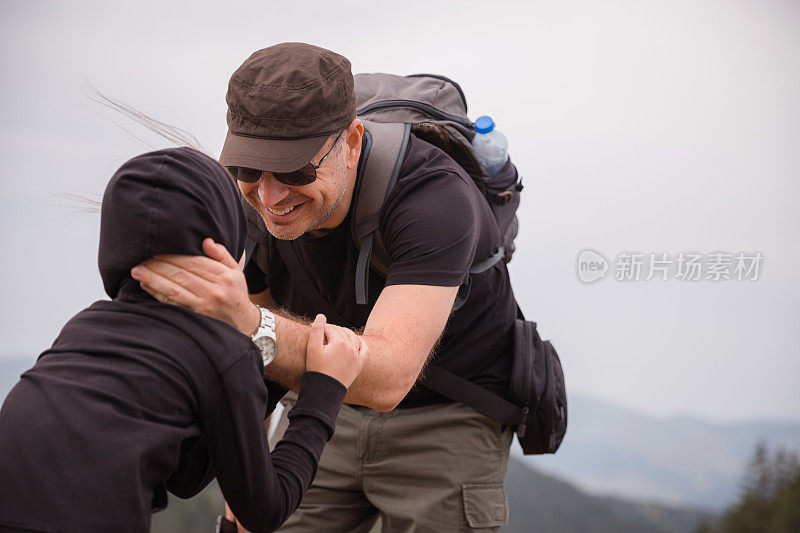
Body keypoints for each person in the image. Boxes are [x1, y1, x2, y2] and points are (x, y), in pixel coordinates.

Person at [132, 43, 519, 531]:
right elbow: (255, 361)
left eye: (296, 171)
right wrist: (244, 480)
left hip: (449, 413)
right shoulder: (246, 206)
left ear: (353, 141)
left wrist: (251, 323)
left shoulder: (434, 196)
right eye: (249, 170)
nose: (270, 197)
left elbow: (387, 375)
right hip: (320, 400)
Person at [0, 147, 367, 533]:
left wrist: (269, 375)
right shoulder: (222, 351)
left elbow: (184, 476)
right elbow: (265, 511)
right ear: (225, 250)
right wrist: (324, 392)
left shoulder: (85, 326)